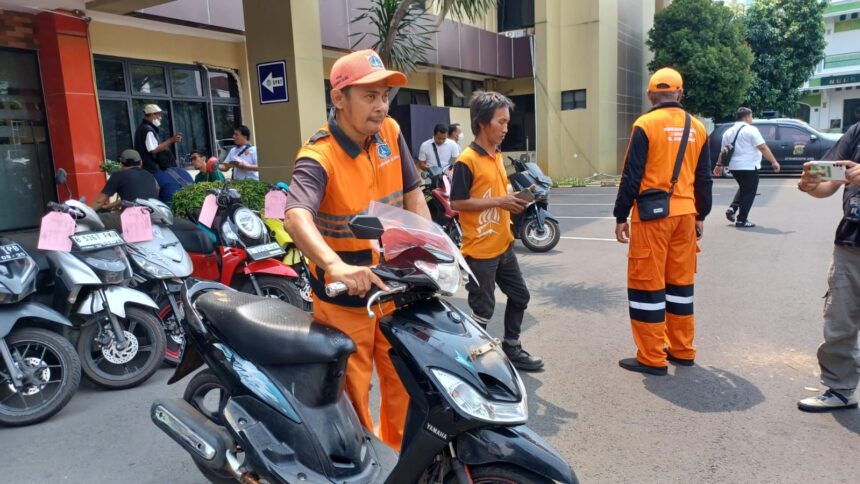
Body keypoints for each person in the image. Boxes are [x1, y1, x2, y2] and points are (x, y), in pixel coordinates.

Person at [282, 49, 429, 451]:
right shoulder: (319, 155)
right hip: (347, 298)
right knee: (352, 393)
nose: (381, 106)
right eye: (369, 96)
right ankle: (362, 462)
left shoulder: (390, 132)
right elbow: (295, 215)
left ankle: (397, 458)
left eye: (384, 95)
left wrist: (429, 241)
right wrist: (334, 265)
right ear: (340, 99)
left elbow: (413, 192)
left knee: (403, 380)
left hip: (395, 288)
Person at [612, 68, 713, 376]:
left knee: (647, 286)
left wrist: (620, 215)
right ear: (679, 93)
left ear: (650, 95)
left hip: (653, 217)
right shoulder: (698, 128)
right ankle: (682, 350)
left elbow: (632, 174)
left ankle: (652, 357)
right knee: (680, 286)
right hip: (685, 216)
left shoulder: (645, 124)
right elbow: (704, 178)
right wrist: (701, 215)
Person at [449, 91, 544, 372]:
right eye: (500, 122)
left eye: (506, 122)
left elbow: (496, 194)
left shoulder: (496, 155)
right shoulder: (466, 160)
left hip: (503, 246)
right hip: (480, 252)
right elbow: (456, 202)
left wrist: (515, 200)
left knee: (520, 297)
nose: (505, 128)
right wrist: (499, 201)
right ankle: (475, 363)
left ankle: (511, 347)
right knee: (482, 310)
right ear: (482, 123)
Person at [796, 121, 860, 412]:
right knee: (839, 322)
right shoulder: (857, 132)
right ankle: (840, 389)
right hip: (850, 241)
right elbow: (828, 183)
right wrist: (811, 185)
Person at [714, 107, 781, 228]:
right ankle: (742, 220)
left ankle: (732, 208)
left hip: (733, 167)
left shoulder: (728, 132)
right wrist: (774, 162)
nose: (752, 119)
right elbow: (763, 147)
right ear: (746, 117)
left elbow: (723, 152)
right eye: (751, 116)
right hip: (748, 166)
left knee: (744, 188)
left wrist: (718, 165)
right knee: (749, 192)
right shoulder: (751, 130)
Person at [91, 149, 159, 211]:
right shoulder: (150, 175)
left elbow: (99, 202)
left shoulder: (118, 175)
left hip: (130, 218)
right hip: (151, 216)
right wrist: (107, 206)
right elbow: (128, 200)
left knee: (101, 219)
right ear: (141, 162)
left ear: (121, 164)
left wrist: (87, 213)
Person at [133, 104, 182, 173]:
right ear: (153, 115)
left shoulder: (143, 128)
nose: (160, 118)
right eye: (159, 115)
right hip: (151, 169)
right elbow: (154, 150)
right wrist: (171, 140)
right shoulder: (147, 129)